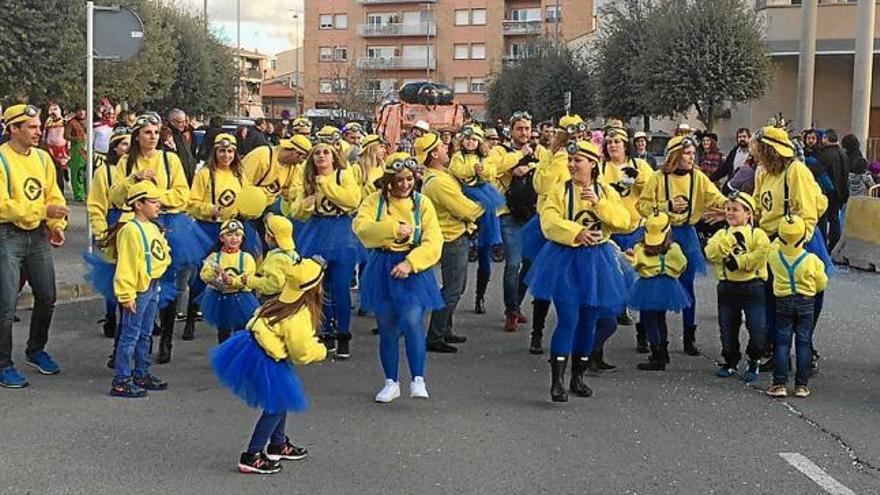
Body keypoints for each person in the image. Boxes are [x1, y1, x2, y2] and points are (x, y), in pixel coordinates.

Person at [525, 140, 631, 402]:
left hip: (598, 262)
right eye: (570, 161)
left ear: (593, 164)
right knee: (568, 318)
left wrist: (599, 205)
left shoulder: (606, 192)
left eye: (578, 161)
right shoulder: (560, 191)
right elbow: (548, 222)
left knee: (588, 321)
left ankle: (578, 375)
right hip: (565, 260)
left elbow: (623, 221)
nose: (572, 165)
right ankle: (557, 381)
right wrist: (576, 232)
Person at [109, 113, 214, 364]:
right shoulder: (126, 162)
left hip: (168, 223)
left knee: (166, 284)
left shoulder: (171, 159)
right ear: (137, 135)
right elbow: (114, 196)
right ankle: (122, 346)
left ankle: (165, 341)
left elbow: (182, 195)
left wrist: (153, 195)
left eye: (156, 133)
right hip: (135, 224)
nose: (153, 137)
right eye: (147, 132)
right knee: (133, 283)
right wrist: (134, 181)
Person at [210, 256, 328, 474]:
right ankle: (252, 454)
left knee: (280, 398)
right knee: (277, 404)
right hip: (265, 356)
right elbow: (301, 351)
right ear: (315, 287)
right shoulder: (299, 314)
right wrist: (320, 351)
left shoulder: (282, 300)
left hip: (253, 348)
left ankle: (278, 443)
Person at [354, 154, 444, 402]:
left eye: (409, 179)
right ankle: (391, 382)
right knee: (387, 326)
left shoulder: (423, 203)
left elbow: (434, 240)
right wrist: (392, 229)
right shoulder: (374, 201)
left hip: (413, 267)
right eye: (399, 180)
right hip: (382, 266)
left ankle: (418, 378)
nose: (405, 185)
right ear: (388, 181)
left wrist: (411, 263)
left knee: (412, 319)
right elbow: (361, 228)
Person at [637, 134, 727, 356]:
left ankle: (689, 337)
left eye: (692, 153)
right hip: (661, 235)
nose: (691, 156)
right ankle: (649, 335)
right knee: (654, 282)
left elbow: (716, 197)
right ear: (675, 155)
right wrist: (666, 206)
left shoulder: (698, 178)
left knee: (687, 286)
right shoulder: (658, 178)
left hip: (687, 234)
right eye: (687, 153)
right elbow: (642, 206)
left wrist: (733, 207)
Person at [751, 126, 832, 372]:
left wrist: (796, 248)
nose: (754, 153)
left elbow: (808, 214)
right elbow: (758, 205)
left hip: (797, 243)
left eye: (758, 148)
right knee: (773, 298)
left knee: (805, 299)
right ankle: (779, 350)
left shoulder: (796, 171)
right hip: (771, 241)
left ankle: (807, 350)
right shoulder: (763, 172)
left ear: (768, 149)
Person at [0, 104, 69, 388]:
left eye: (39, 126)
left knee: (47, 295)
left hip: (37, 235)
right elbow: (4, 206)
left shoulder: (42, 158)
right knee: (5, 304)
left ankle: (35, 349)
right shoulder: (1, 159)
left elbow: (55, 196)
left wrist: (57, 226)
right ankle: (3, 363)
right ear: (13, 129)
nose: (38, 131)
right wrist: (43, 213)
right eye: (31, 127)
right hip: (7, 236)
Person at [286, 142, 362, 358]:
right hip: (317, 233)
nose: (321, 156)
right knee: (321, 287)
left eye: (325, 152)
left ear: (333, 156)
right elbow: (296, 211)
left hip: (342, 233)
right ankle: (326, 331)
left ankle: (343, 335)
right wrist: (306, 205)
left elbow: (352, 201)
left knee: (340, 287)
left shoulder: (343, 175)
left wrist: (325, 185)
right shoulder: (307, 180)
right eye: (317, 153)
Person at [417, 134, 484, 353]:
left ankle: (445, 329)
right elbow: (465, 209)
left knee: (457, 286)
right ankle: (435, 336)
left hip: (454, 235)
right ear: (433, 154)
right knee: (452, 289)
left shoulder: (440, 176)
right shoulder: (437, 182)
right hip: (451, 237)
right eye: (442, 147)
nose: (448, 148)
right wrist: (486, 203)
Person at [109, 180, 171, 398]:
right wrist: (126, 294)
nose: (158, 206)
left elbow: (161, 254)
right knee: (130, 334)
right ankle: (121, 380)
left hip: (153, 285)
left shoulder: (153, 227)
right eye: (153, 202)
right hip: (139, 289)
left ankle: (141, 372)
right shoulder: (130, 231)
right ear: (138, 204)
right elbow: (125, 265)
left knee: (145, 333)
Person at [599, 126, 654, 362]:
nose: (613, 145)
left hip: (635, 229)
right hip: (610, 231)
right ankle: (606, 327)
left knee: (639, 279)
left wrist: (637, 177)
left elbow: (653, 186)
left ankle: (643, 332)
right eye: (610, 142)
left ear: (626, 145)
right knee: (612, 279)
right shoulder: (602, 168)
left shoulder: (640, 165)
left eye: (618, 142)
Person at [704, 192, 770, 382]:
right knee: (727, 328)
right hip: (727, 287)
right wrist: (728, 241)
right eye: (728, 209)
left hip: (753, 286)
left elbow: (761, 254)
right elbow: (711, 252)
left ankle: (754, 358)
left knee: (757, 327)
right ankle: (730, 360)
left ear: (748, 214)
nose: (730, 213)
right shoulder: (721, 234)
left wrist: (740, 262)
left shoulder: (757, 234)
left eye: (735, 209)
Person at [765, 215, 828, 399]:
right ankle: (802, 385)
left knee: (782, 343)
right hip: (806, 302)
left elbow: (774, 245)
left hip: (783, 302)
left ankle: (779, 383)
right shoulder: (812, 260)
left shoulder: (774, 257)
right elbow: (822, 283)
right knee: (804, 343)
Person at [497, 111, 548, 333]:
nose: (525, 133)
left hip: (534, 214)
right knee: (512, 264)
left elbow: (550, 171)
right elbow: (493, 168)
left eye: (527, 128)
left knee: (529, 265)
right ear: (511, 130)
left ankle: (516, 304)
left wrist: (531, 167)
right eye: (520, 128)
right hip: (510, 213)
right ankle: (511, 310)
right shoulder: (502, 150)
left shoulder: (541, 152)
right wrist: (516, 160)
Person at [449, 125, 505, 316]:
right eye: (467, 139)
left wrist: (482, 171)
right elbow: (456, 170)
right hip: (466, 197)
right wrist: (473, 169)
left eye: (474, 139)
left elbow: (491, 172)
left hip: (483, 195)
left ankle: (480, 296)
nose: (471, 142)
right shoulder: (458, 157)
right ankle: (455, 295)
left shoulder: (485, 157)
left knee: (485, 258)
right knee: (462, 257)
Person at [625, 211, 691, 371]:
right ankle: (664, 351)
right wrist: (671, 272)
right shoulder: (674, 248)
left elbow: (633, 265)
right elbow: (682, 264)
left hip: (647, 287)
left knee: (649, 321)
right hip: (667, 285)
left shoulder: (640, 248)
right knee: (660, 319)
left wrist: (630, 258)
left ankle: (657, 356)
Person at [86, 127, 131, 339]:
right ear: (114, 147)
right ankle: (111, 315)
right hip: (114, 223)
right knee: (114, 273)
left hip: (136, 223)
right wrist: (101, 230)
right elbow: (96, 204)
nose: (128, 148)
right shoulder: (104, 171)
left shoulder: (139, 168)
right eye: (124, 144)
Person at [197, 220, 259, 344]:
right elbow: (204, 274)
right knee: (223, 332)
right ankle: (224, 355)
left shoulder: (246, 257)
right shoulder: (215, 257)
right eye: (229, 234)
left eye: (237, 235)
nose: (234, 238)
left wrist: (232, 281)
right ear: (221, 237)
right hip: (221, 299)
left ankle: (238, 357)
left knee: (241, 332)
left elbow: (247, 276)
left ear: (242, 238)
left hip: (241, 299)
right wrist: (215, 275)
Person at [243, 134, 311, 219]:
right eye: (303, 158)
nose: (301, 162)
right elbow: (242, 183)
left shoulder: (293, 167)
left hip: (268, 206)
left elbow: (289, 192)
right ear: (295, 153)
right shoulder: (262, 156)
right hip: (246, 206)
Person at [247, 215, 301, 301]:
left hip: (274, 300)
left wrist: (251, 281)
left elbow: (273, 285)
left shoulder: (277, 258)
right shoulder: (294, 254)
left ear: (269, 237)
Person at [817, 129, 849, 251]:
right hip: (842, 191)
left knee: (824, 219)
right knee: (835, 218)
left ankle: (825, 245)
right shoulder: (843, 154)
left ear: (826, 138)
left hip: (828, 192)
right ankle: (835, 243)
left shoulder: (825, 155)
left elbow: (821, 174)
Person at [166, 109, 197, 186]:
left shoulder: (182, 135)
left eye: (185, 121)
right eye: (180, 122)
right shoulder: (167, 135)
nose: (184, 124)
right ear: (172, 121)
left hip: (188, 178)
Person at [42, 103, 68, 193]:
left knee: (61, 170)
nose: (53, 112)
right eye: (51, 110)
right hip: (49, 148)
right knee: (51, 169)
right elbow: (44, 134)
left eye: (55, 109)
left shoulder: (64, 121)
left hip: (61, 149)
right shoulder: (48, 121)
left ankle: (61, 190)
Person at [64, 106, 87, 201]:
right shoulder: (71, 123)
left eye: (83, 110)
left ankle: (87, 192)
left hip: (88, 147)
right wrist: (75, 139)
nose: (81, 112)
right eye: (79, 111)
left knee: (87, 171)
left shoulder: (88, 121)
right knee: (77, 171)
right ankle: (79, 194)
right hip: (77, 148)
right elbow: (66, 135)